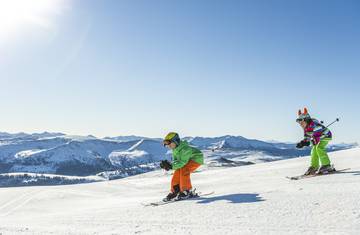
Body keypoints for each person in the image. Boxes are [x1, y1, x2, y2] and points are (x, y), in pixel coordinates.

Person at [160, 132, 204, 201]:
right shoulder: (175, 150)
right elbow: (176, 162)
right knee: (177, 171)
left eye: (169, 143)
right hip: (187, 161)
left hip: (196, 159)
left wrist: (171, 166)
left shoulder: (185, 149)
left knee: (184, 169)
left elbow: (182, 162)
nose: (168, 145)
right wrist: (168, 165)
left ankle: (186, 191)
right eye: (166, 144)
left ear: (175, 141)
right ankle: (175, 191)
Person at [296, 108, 335, 175]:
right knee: (314, 150)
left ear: (306, 120)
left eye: (301, 122)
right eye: (299, 123)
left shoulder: (315, 125)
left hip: (325, 136)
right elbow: (307, 137)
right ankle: (314, 166)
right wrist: (303, 142)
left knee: (319, 147)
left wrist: (308, 142)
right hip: (318, 138)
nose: (300, 124)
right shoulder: (306, 128)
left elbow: (316, 139)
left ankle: (327, 165)